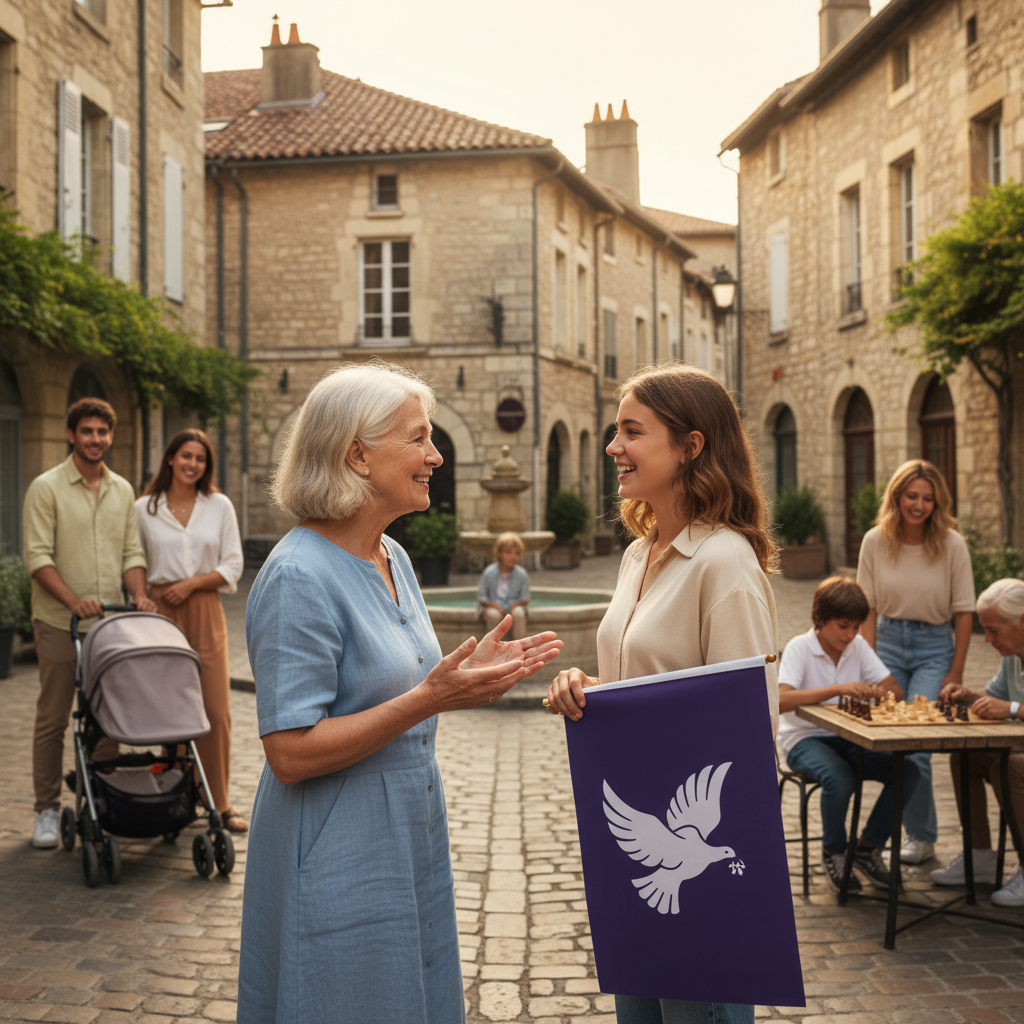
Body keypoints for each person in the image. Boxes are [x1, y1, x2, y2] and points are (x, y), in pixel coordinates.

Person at [237, 362, 562, 1023]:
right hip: (334, 843)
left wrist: (463, 676)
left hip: (406, 830)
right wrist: (430, 697)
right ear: (357, 453)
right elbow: (290, 753)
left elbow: (407, 678)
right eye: (418, 438)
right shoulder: (298, 577)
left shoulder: (395, 556)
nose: (434, 456)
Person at [545, 364, 778, 1024]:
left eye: (631, 432)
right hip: (634, 838)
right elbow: (644, 682)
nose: (614, 447)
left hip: (694, 858)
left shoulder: (724, 561)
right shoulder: (637, 554)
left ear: (691, 446)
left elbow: (746, 729)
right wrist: (589, 689)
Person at [22, 397, 157, 849]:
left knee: (108, 715)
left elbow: (131, 554)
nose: (96, 439)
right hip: (61, 622)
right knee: (54, 717)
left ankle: (97, 798)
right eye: (87, 432)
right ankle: (44, 809)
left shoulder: (121, 490)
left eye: (102, 432)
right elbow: (37, 557)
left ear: (110, 436)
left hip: (109, 625)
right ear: (71, 435)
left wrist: (137, 593)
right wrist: (73, 600)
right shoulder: (46, 487)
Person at [857, 459, 975, 864]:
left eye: (928, 498)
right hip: (887, 643)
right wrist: (869, 664)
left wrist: (956, 670)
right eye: (912, 496)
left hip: (933, 648)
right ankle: (918, 835)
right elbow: (867, 608)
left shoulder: (952, 544)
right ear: (897, 496)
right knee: (894, 744)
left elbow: (964, 612)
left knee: (917, 744)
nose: (919, 505)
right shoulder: (875, 541)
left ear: (937, 502)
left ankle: (921, 838)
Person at [135, 429, 247, 831]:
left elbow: (233, 565)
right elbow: (134, 562)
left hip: (204, 607)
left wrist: (192, 584)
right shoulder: (144, 508)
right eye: (185, 456)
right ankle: (179, 797)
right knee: (171, 711)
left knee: (215, 711)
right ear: (170, 458)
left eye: (200, 458)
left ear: (206, 466)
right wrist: (142, 595)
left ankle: (221, 803)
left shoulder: (218, 506)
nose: (192, 464)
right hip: (161, 612)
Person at [778, 575, 919, 891]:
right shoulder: (800, 647)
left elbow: (894, 689)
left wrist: (877, 694)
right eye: (843, 626)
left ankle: (868, 848)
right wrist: (839, 689)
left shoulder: (857, 647)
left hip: (849, 737)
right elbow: (781, 700)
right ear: (820, 618)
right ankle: (834, 850)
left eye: (856, 627)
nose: (852, 634)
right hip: (803, 739)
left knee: (907, 771)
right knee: (840, 776)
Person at [929, 578, 1024, 907]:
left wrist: (1013, 709)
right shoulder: (1013, 655)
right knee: (967, 756)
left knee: (1008, 767)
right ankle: (979, 855)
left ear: (1022, 621)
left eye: (994, 630)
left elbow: (1007, 707)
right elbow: (994, 700)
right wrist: (969, 696)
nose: (989, 639)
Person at [476, 531, 530, 640]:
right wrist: (495, 606)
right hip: (494, 605)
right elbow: (481, 597)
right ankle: (493, 649)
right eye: (509, 552)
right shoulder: (489, 572)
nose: (513, 557)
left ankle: (520, 648)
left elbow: (525, 597)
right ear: (499, 553)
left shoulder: (521, 574)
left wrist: (514, 605)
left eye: (517, 553)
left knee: (519, 613)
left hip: (513, 605)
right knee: (493, 615)